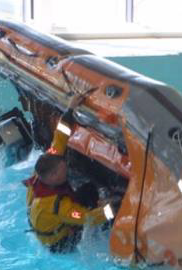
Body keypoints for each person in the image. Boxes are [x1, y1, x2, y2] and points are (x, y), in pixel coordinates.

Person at [23, 90, 114, 253]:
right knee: (105, 218)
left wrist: (70, 110)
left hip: (53, 217)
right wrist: (111, 208)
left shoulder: (48, 163)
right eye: (62, 170)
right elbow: (87, 218)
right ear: (52, 176)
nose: (66, 168)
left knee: (89, 190)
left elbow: (60, 137)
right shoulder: (57, 205)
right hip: (60, 242)